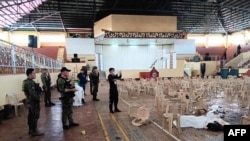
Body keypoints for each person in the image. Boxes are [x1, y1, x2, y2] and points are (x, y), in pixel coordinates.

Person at [22, 68, 44, 136]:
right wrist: (38, 99)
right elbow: (33, 93)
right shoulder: (30, 82)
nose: (35, 74)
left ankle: (31, 130)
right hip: (33, 102)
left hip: (30, 101)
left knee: (31, 116)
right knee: (34, 116)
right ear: (30, 74)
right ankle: (34, 130)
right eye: (34, 73)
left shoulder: (26, 81)